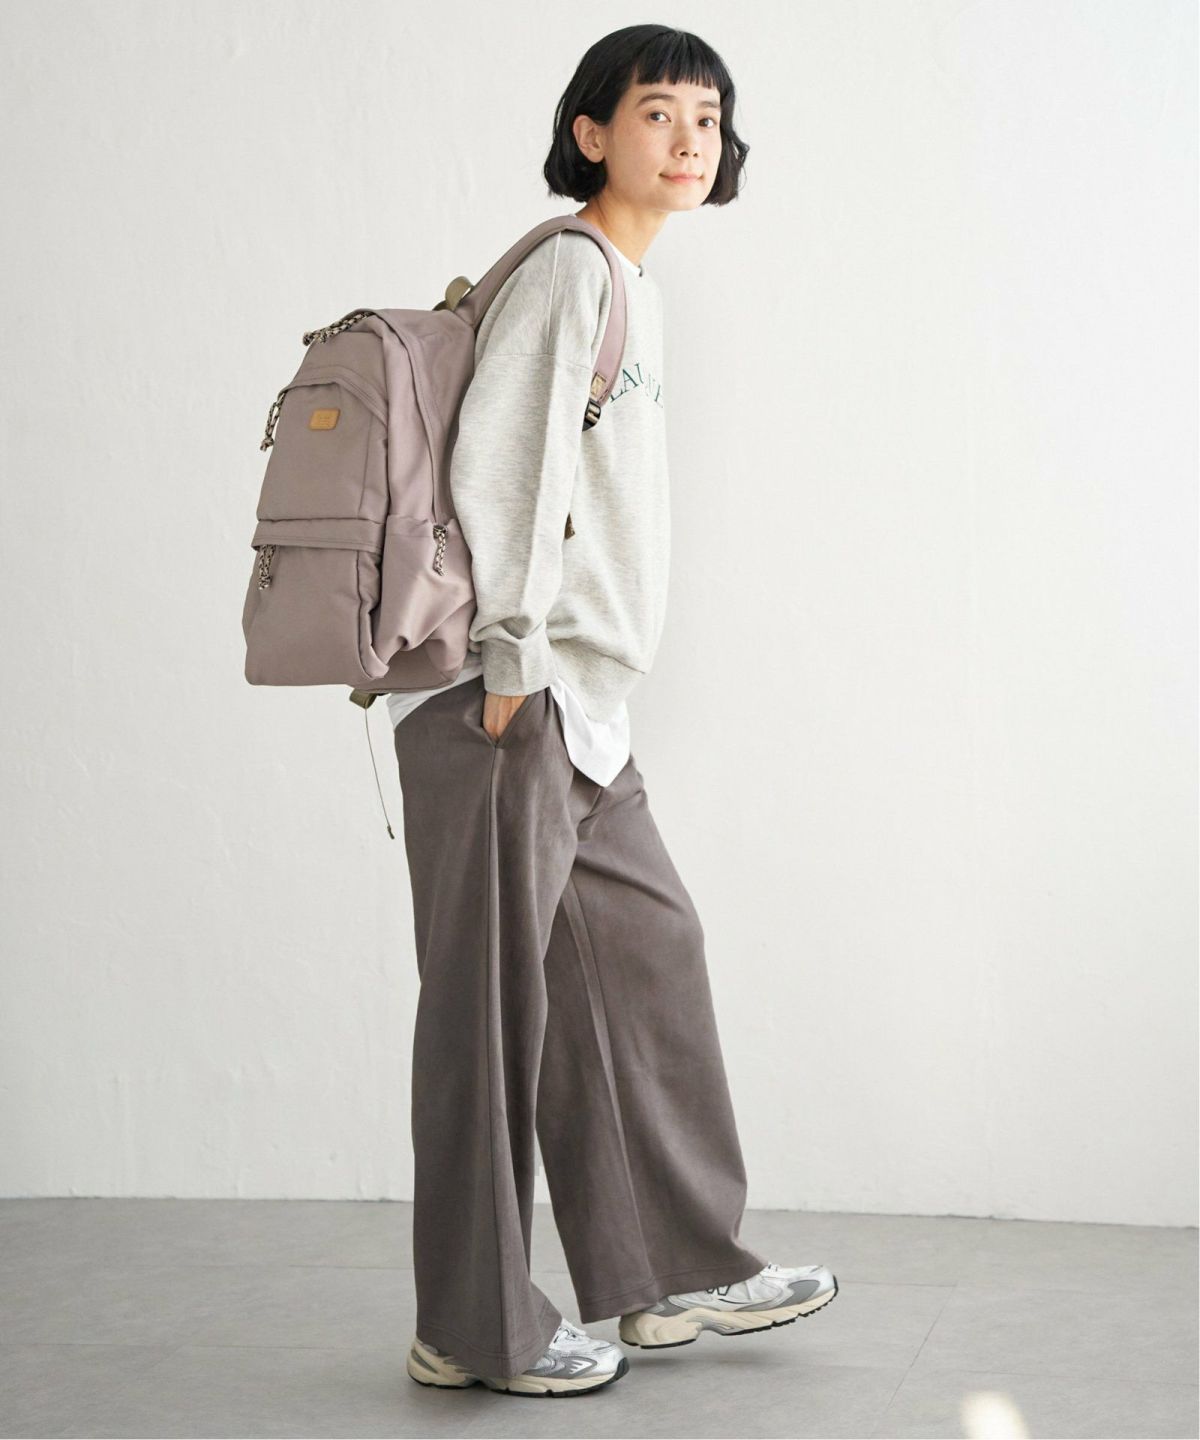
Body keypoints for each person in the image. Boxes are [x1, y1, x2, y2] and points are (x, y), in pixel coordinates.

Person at [391, 24, 837, 1398]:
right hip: (512, 696)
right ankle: (473, 1327)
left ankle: (663, 1272)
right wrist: (511, 661)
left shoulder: (629, 282)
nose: (691, 139)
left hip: (580, 706)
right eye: (659, 112)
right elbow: (506, 468)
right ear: (593, 133)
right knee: (493, 1022)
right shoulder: (573, 272)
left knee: (643, 955)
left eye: (709, 115)